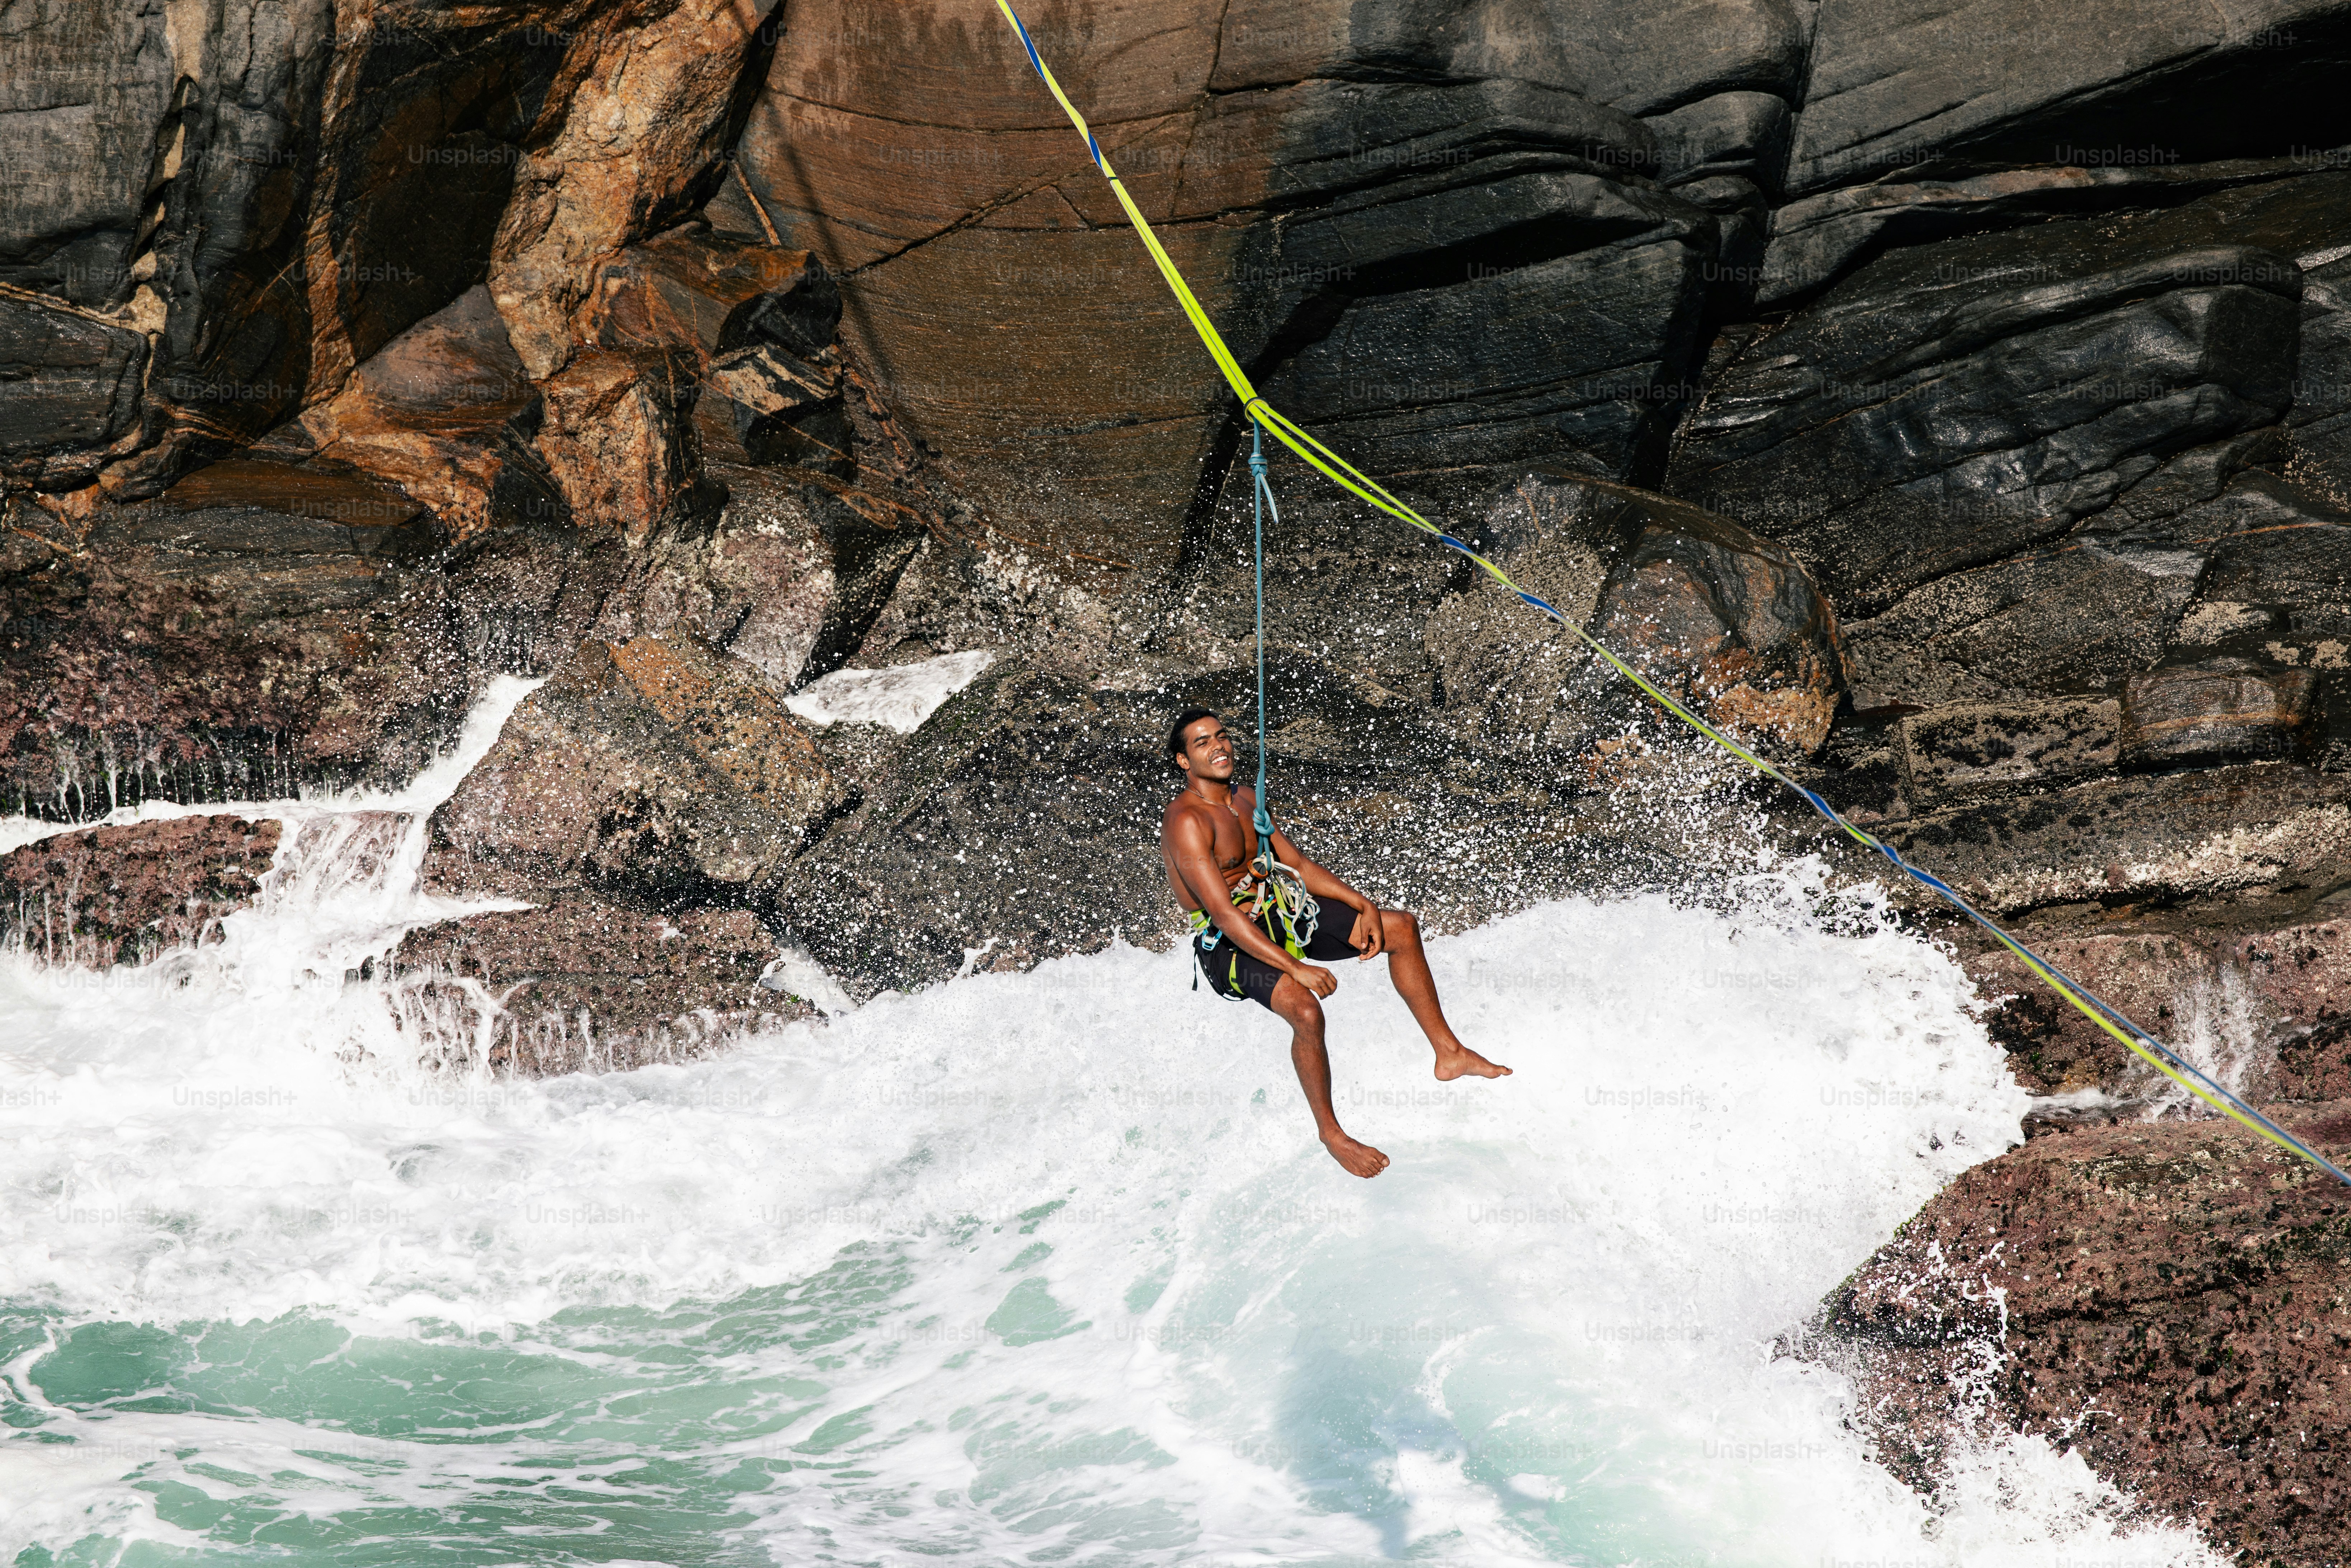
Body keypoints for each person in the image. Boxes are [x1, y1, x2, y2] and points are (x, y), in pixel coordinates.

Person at [1159, 707, 1509, 1177]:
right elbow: (1222, 913)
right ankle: (1332, 1134)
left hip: (1278, 911)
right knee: (1305, 1010)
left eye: (1221, 736)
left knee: (1401, 928)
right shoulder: (1185, 820)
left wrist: (1361, 902)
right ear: (1183, 761)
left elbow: (1298, 866)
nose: (1218, 747)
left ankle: (1450, 1054)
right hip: (1228, 944)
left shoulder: (1245, 798)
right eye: (1202, 743)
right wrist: (1296, 967)